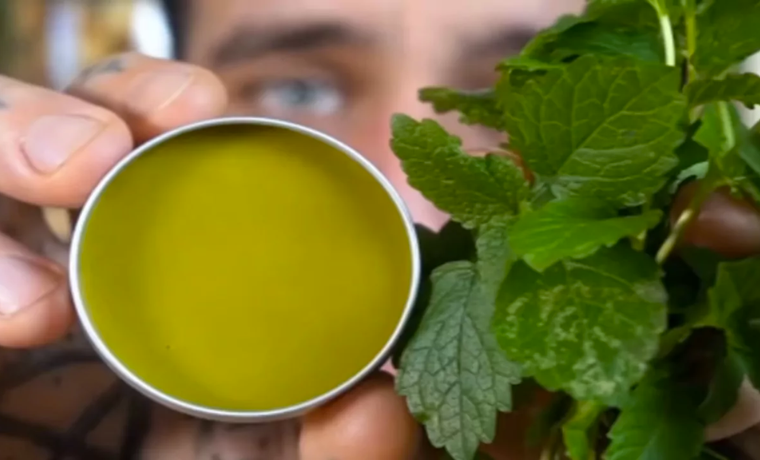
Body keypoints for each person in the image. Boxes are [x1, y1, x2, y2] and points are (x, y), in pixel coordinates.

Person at [1, 0, 760, 458]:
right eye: (299, 89)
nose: (399, 184)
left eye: (518, 103)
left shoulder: (687, 353)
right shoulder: (63, 403)